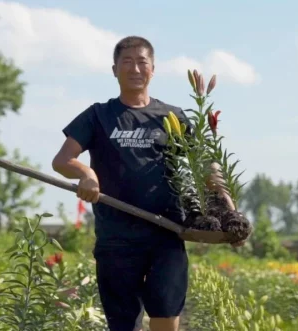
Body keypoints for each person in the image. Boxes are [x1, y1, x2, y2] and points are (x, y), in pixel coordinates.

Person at [51, 36, 244, 331]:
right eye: (127, 62)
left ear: (153, 69)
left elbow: (205, 166)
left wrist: (231, 214)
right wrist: (86, 175)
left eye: (142, 62)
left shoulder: (171, 117)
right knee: (124, 323)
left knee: (165, 316)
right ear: (114, 69)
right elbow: (62, 160)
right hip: (116, 238)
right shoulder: (98, 116)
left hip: (165, 234)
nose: (135, 68)